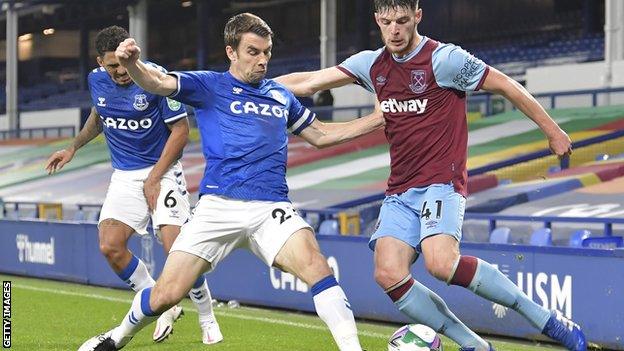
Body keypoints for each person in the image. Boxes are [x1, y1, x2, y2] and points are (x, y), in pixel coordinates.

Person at [274, 1, 587, 351]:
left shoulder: (445, 60)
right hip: (400, 189)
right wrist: (252, 86)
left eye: (403, 21)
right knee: (388, 273)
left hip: (442, 180)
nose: (395, 30)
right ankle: (475, 345)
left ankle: (548, 320)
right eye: (388, 21)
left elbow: (505, 85)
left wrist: (552, 130)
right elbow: (310, 81)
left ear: (418, 17)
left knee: (441, 262)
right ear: (377, 19)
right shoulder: (371, 63)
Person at [78, 13, 384, 351]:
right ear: (231, 52)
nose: (262, 60)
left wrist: (377, 119)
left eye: (266, 52)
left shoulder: (280, 95)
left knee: (316, 265)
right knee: (166, 294)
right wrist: (133, 64)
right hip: (217, 207)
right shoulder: (209, 85)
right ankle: (118, 337)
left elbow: (322, 134)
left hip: (271, 207)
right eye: (253, 51)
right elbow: (157, 84)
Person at [45, 26, 222, 345]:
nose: (121, 72)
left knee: (179, 249)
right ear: (100, 62)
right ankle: (159, 301)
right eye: (112, 66)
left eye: (124, 64)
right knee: (109, 245)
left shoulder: (155, 77)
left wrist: (155, 178)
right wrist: (72, 147)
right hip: (124, 176)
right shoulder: (96, 80)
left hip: (163, 171)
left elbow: (181, 132)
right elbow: (99, 116)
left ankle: (207, 317)